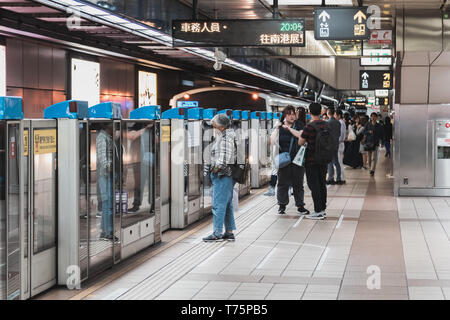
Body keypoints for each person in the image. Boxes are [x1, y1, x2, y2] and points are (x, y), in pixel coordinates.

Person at [203, 113, 237, 242]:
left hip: (223, 175)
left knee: (218, 205)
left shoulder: (225, 138)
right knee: (227, 204)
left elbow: (224, 160)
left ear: (221, 127)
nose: (212, 128)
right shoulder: (225, 136)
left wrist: (214, 170)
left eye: (214, 125)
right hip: (226, 175)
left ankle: (217, 233)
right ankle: (229, 232)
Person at [270, 105, 309, 215]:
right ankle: (282, 205)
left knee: (298, 183)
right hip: (284, 159)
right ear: (284, 115)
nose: (292, 116)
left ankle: (300, 205)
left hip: (298, 159)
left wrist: (289, 129)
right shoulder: (279, 126)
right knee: (282, 183)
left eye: (293, 114)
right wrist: (277, 128)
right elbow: (272, 141)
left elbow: (301, 135)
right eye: (289, 114)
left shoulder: (299, 124)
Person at [298, 102, 329, 220]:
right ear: (321, 112)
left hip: (311, 160)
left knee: (314, 185)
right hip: (324, 159)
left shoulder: (309, 127)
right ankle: (322, 209)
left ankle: (317, 211)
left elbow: (300, 142)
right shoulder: (326, 125)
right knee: (322, 184)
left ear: (309, 112)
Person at [96, 124, 114, 240]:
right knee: (107, 203)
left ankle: (104, 230)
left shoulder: (107, 137)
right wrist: (110, 167)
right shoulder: (102, 138)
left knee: (108, 202)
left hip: (108, 174)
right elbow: (102, 158)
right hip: (105, 175)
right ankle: (108, 232)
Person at [326, 107, 341, 185]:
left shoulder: (328, 122)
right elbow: (339, 134)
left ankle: (331, 178)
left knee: (330, 162)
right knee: (336, 162)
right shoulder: (338, 122)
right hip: (336, 144)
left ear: (328, 113)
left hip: (329, 145)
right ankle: (338, 178)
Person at [335, 109, 347, 184]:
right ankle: (341, 177)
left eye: (335, 115)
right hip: (340, 143)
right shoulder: (341, 122)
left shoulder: (340, 123)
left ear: (339, 115)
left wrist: (336, 141)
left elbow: (341, 135)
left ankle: (342, 178)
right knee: (339, 161)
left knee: (339, 162)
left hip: (339, 144)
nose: (334, 116)